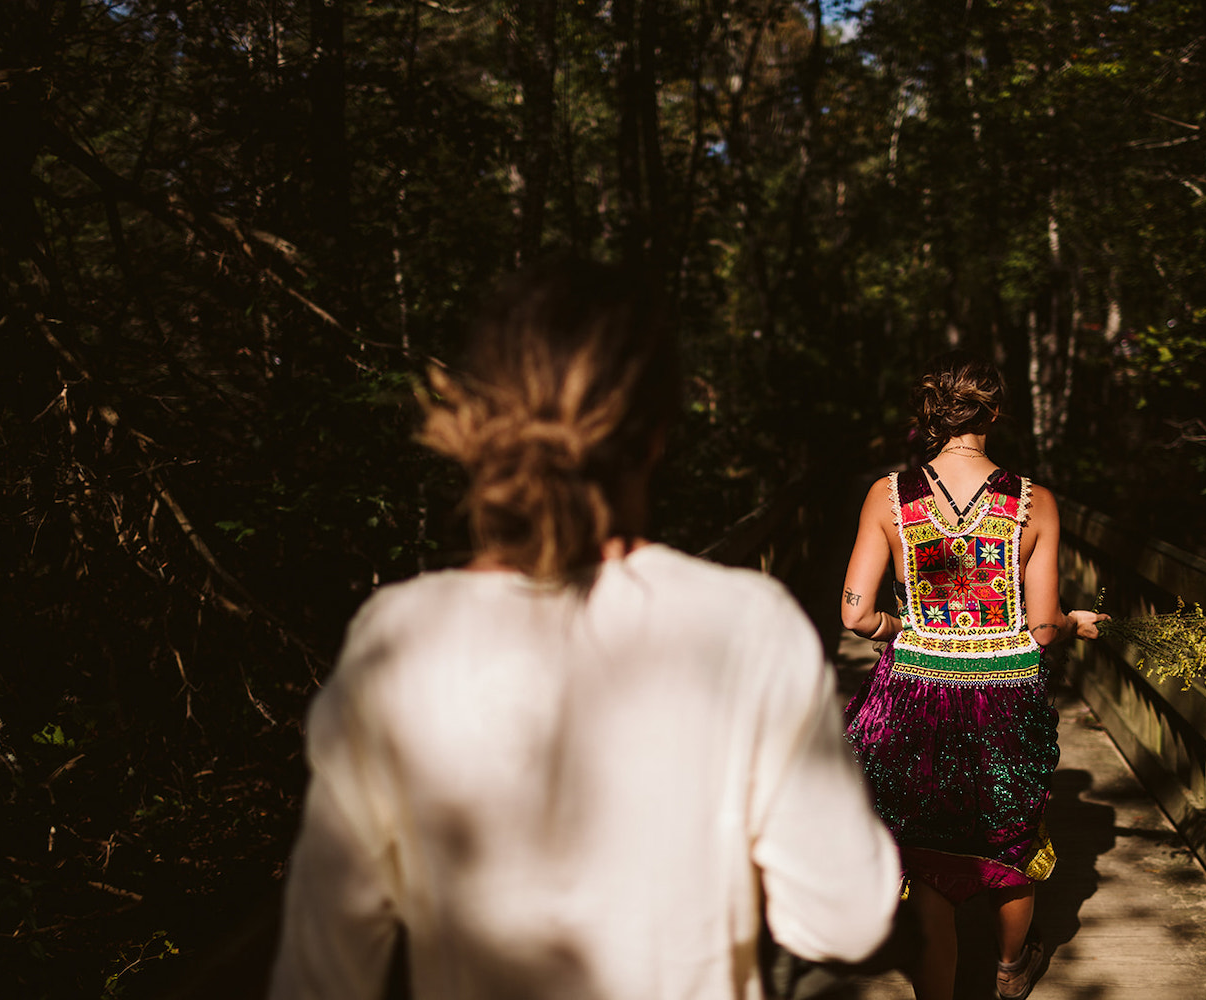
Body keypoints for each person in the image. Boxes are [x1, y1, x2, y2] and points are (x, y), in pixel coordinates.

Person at [268, 261, 901, 1000]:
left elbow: (321, 974)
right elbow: (845, 920)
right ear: (659, 432)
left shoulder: (397, 640)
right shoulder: (745, 626)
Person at [839, 352, 1105, 1000]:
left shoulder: (889, 496)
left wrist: (902, 630)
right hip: (1006, 690)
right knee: (1010, 837)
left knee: (929, 850)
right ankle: (1012, 969)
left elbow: (853, 613)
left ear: (932, 411)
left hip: (919, 690)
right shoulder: (1032, 501)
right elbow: (1041, 630)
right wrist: (1073, 619)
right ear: (994, 412)